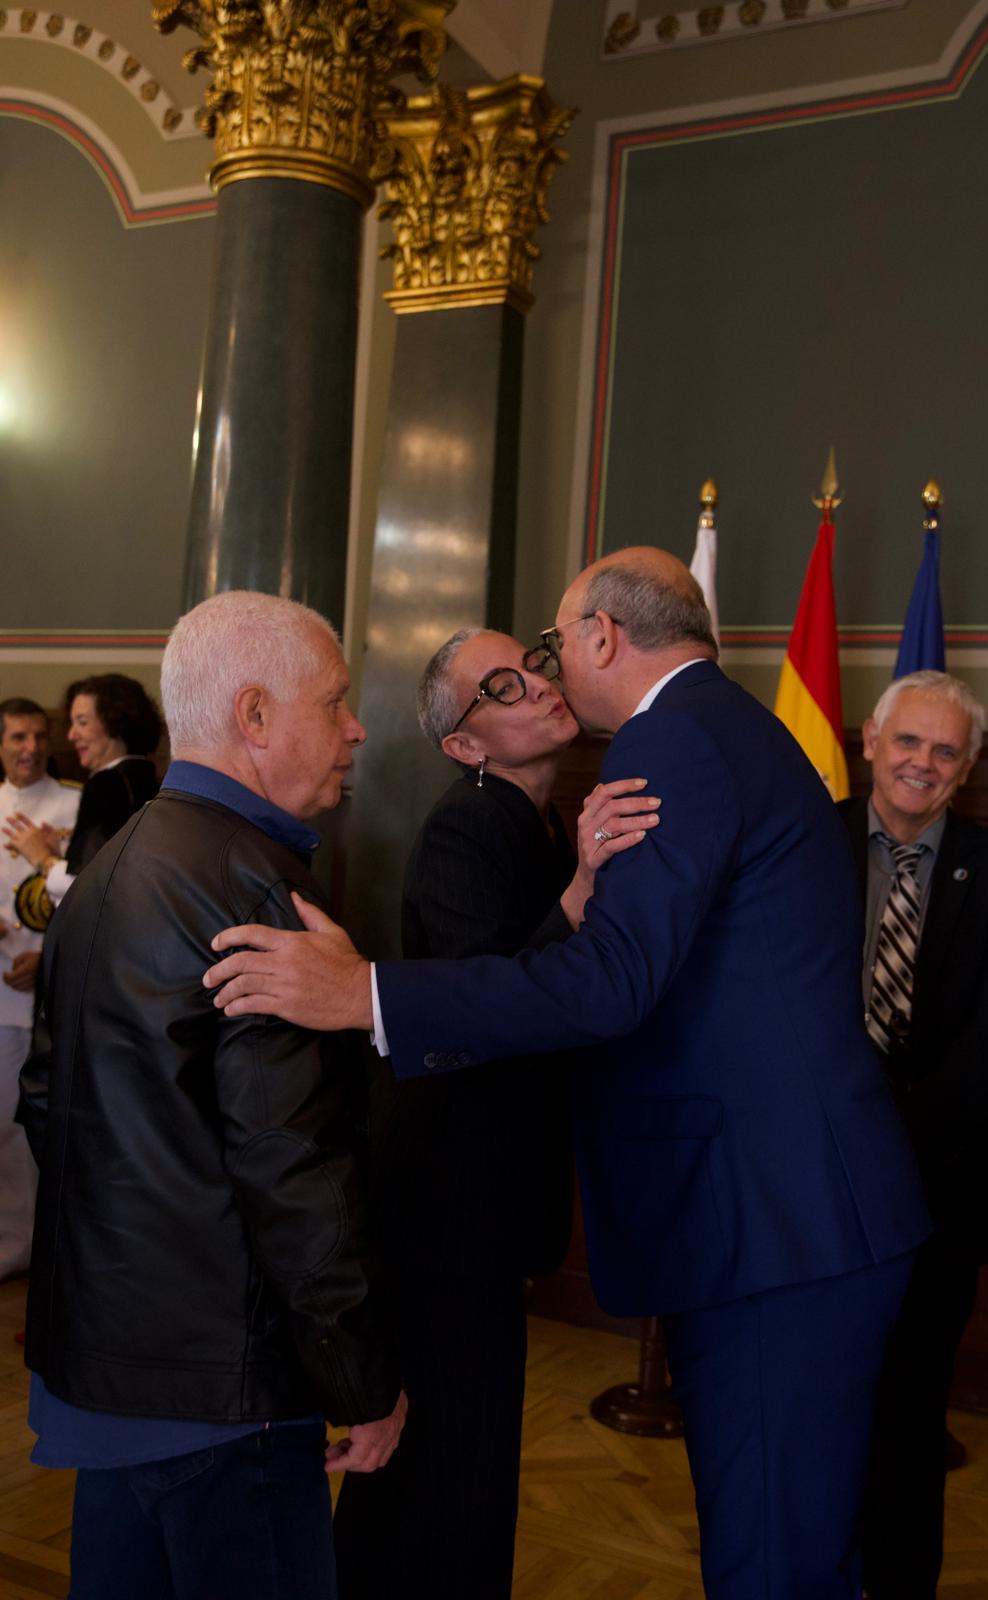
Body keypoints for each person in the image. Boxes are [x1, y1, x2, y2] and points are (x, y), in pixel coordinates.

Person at [205, 547, 931, 1598]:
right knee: (791, 1550)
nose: (548, 673)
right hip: (785, 1214)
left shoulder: (671, 739)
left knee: (776, 1563)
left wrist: (365, 993)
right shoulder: (713, 730)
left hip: (775, 1225)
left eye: (552, 646)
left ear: (602, 638)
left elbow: (611, 982)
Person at [20, 592, 405, 1600]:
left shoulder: (102, 873)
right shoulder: (259, 893)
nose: (356, 725)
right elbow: (295, 1168)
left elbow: (47, 1105)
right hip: (224, 1391)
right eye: (334, 700)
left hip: (106, 1372)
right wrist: (361, 1377)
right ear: (254, 715)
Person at [334, 627, 656, 1599]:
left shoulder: (543, 819)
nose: (539, 686)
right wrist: (580, 891)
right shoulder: (465, 827)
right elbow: (484, 1002)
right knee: (438, 1465)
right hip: (444, 1197)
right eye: (501, 685)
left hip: (488, 1189)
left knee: (464, 1462)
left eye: (535, 663)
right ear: (465, 745)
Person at [838, 670, 988, 1600]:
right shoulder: (804, 846)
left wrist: (879, 1159)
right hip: (807, 1192)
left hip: (934, 1200)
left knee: (910, 1419)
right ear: (870, 741)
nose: (921, 763)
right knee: (816, 1413)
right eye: (907, 742)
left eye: (944, 750)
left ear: (966, 771)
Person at [0, 699, 80, 1278]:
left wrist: (44, 954)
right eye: (17, 736)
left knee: (20, 1131)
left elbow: (84, 904)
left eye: (38, 736)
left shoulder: (75, 804)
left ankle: (19, 1249)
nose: (29, 747)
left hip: (42, 996)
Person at [3, 672, 162, 908]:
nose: (71, 735)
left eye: (82, 722)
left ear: (113, 723)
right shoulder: (146, 775)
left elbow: (89, 890)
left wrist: (43, 858)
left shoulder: (107, 784)